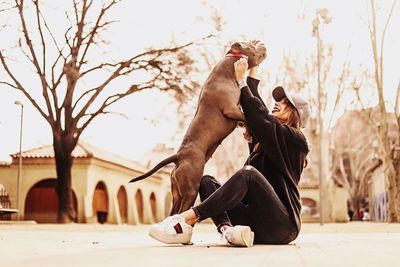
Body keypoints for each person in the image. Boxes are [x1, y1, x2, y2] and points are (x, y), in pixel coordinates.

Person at [148, 43, 310, 247]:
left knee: (248, 173)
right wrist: (254, 65)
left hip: (283, 226)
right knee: (207, 182)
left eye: (286, 103)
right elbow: (257, 108)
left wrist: (241, 80)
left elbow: (259, 117)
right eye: (279, 101)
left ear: (295, 115)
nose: (278, 103)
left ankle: (186, 220)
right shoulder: (269, 137)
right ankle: (227, 232)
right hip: (255, 223)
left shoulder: (295, 139)